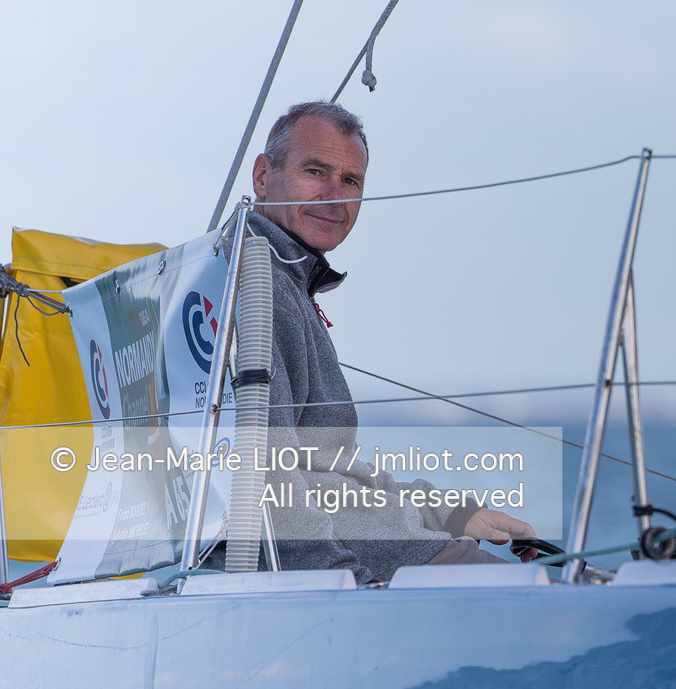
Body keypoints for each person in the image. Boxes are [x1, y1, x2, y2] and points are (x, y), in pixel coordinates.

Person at [213, 100, 540, 583]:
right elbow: (264, 476)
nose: (334, 198)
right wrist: (342, 586)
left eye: (350, 181)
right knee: (559, 595)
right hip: (355, 566)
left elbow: (323, 472)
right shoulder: (258, 285)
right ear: (263, 176)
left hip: (365, 545)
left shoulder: (260, 274)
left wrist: (445, 513)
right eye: (315, 172)